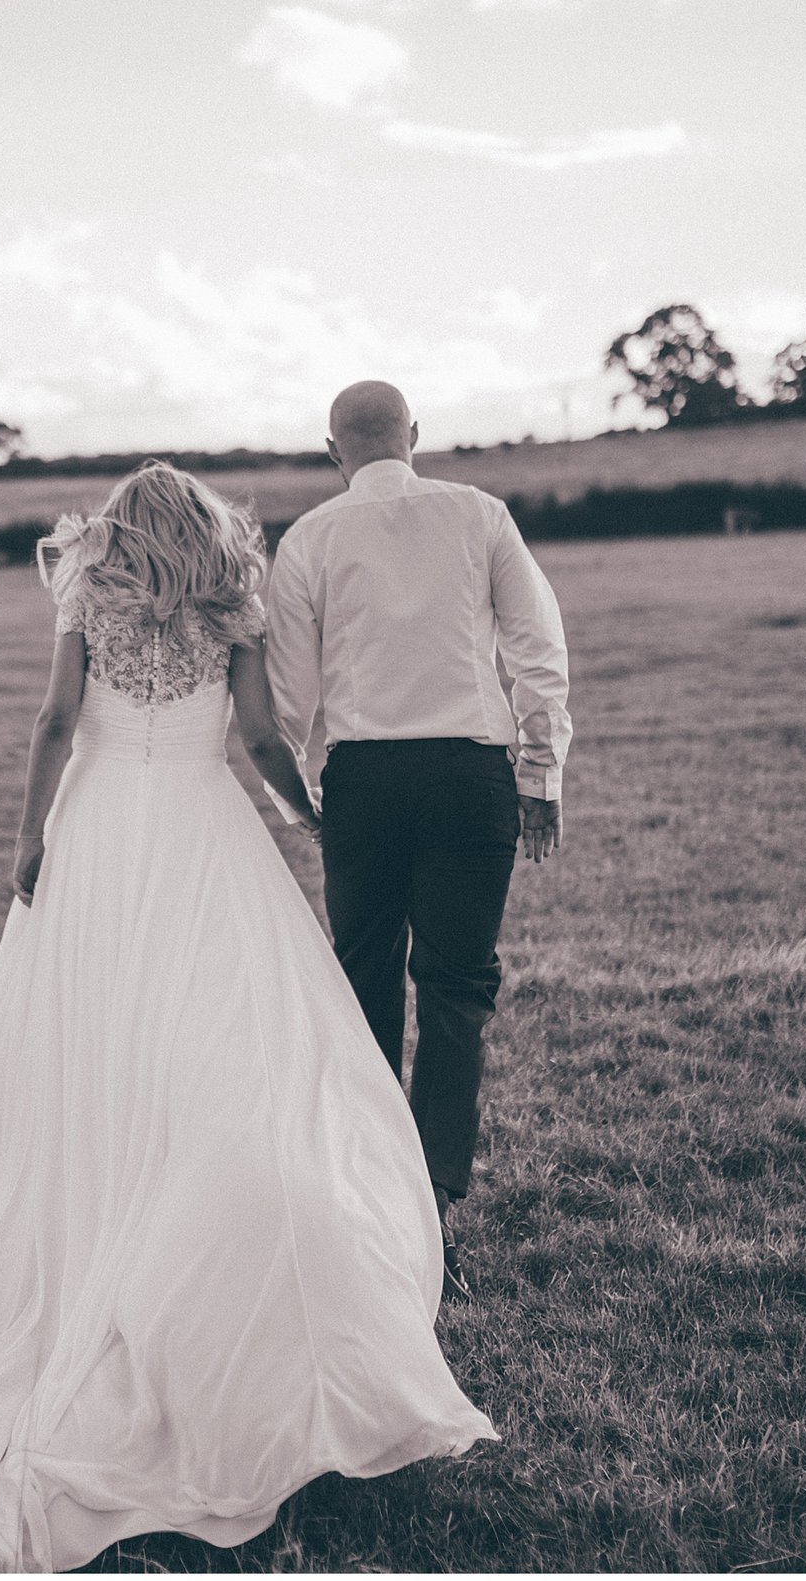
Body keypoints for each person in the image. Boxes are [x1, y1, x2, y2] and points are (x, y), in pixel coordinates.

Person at [0, 460, 495, 1573]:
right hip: (204, 834)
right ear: (208, 533)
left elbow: (56, 718)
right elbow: (261, 737)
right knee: (229, 1033)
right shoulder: (234, 599)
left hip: (103, 831)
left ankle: (110, 1195)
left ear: (116, 533)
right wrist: (306, 816)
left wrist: (29, 837)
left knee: (95, 1024)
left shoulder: (87, 594)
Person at [264, 381, 573, 1300]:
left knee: (360, 979)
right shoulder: (481, 515)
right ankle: (432, 1198)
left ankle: (364, 1192)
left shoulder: (311, 538)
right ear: (416, 438)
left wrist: (305, 803)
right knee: (456, 988)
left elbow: (283, 701)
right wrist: (540, 774)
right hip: (470, 776)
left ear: (333, 452)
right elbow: (535, 649)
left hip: (364, 781)